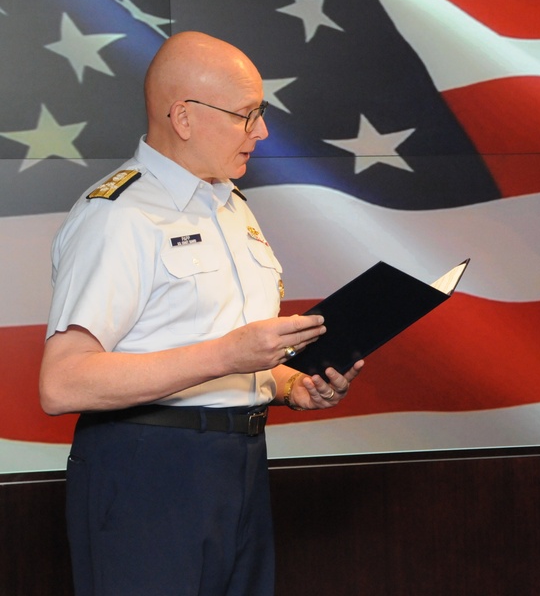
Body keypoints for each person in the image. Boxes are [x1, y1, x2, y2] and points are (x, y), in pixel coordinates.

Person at [38, 31, 361, 596]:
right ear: (184, 117)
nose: (261, 132)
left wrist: (289, 383)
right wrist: (229, 354)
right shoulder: (117, 217)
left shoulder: (231, 207)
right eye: (247, 115)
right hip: (148, 470)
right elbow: (63, 383)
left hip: (239, 462)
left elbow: (216, 349)